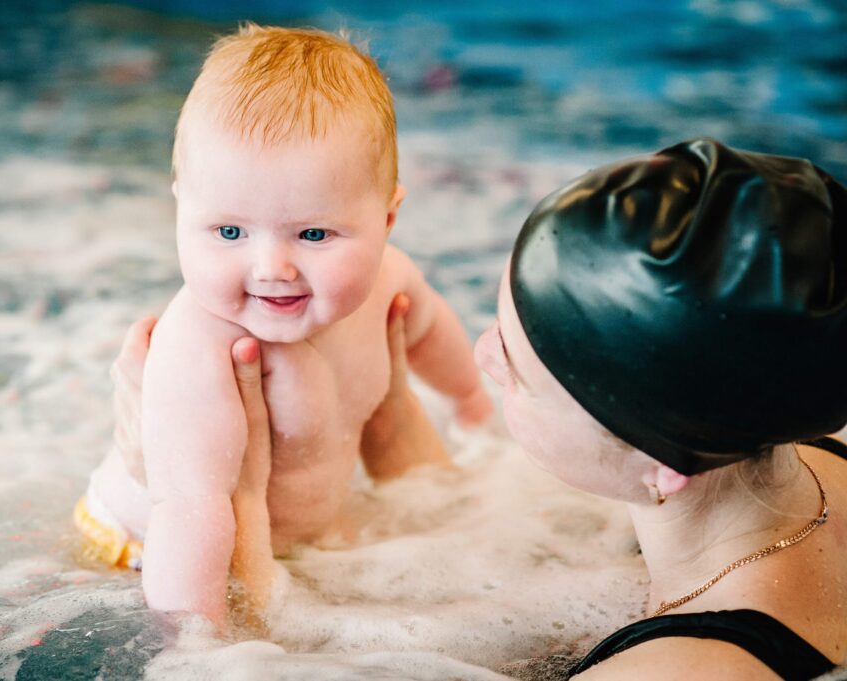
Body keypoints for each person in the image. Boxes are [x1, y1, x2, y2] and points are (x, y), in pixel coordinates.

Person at [108, 138, 847, 679]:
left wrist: (235, 497)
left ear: (659, 464)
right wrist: (390, 412)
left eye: (518, 371)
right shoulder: (790, 425)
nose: (485, 354)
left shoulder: (677, 673)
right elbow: (462, 543)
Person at [74, 23, 492, 630]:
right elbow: (189, 508)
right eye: (229, 232)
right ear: (180, 210)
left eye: (314, 234)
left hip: (290, 538)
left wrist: (471, 400)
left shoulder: (388, 282)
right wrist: (200, 645)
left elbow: (429, 330)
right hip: (148, 555)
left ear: (389, 216)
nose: (273, 269)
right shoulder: (199, 345)